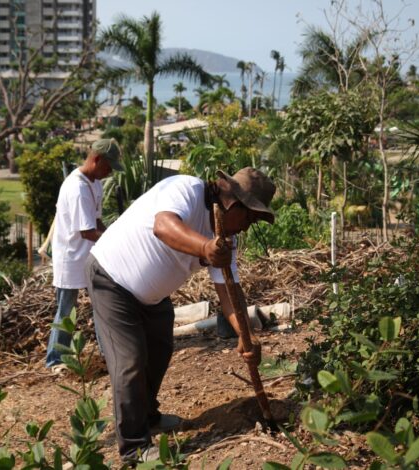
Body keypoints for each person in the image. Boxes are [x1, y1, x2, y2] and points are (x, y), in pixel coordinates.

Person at [85, 167, 276, 462]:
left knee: (160, 351)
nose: (246, 228)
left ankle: (147, 415)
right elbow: (163, 226)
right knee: (130, 361)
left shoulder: (225, 239)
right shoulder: (186, 189)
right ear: (234, 203)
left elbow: (229, 293)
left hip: (153, 297)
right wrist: (204, 247)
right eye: (249, 218)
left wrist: (245, 335)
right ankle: (134, 448)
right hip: (111, 279)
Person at [45, 138, 123, 370]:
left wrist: (112, 235)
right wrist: (113, 240)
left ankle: (107, 351)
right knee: (66, 310)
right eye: (108, 166)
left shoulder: (94, 183)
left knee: (101, 303)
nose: (109, 172)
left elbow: (97, 220)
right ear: (97, 159)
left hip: (89, 256)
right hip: (70, 257)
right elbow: (88, 231)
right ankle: (55, 359)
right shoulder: (77, 187)